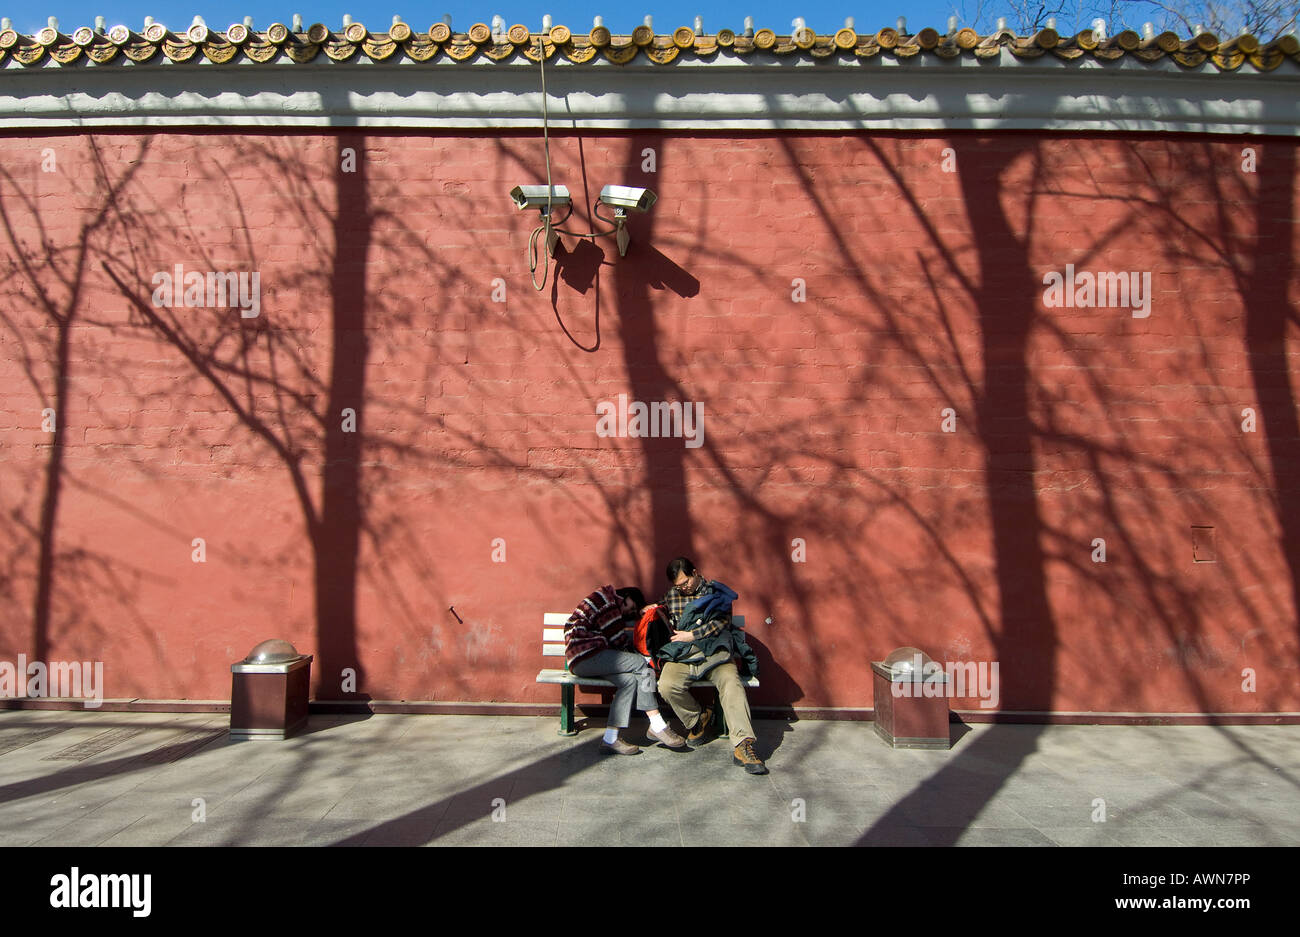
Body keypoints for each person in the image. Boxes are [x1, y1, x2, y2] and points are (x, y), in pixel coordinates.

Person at [655, 557, 767, 775]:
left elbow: (722, 623)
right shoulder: (672, 595)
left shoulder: (716, 593)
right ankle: (698, 718)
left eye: (685, 582)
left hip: (715, 653)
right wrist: (651, 608)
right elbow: (662, 608)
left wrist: (692, 635)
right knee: (666, 685)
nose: (683, 588)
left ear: (695, 573)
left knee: (731, 684)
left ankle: (743, 744)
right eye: (678, 585)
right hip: (685, 655)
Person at [564, 583, 687, 755]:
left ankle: (610, 738)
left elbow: (614, 637)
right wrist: (640, 655)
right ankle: (657, 724)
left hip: (589, 656)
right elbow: (617, 640)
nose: (629, 611)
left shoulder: (607, 602)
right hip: (586, 655)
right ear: (627, 596)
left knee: (628, 681)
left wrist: (642, 613)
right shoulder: (607, 600)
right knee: (642, 664)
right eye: (632, 607)